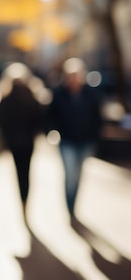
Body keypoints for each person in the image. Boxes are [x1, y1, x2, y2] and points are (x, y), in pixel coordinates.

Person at [47, 57, 103, 219]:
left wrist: (95, 137)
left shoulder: (91, 94)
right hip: (67, 141)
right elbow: (50, 116)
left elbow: (97, 117)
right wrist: (51, 132)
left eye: (77, 75)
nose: (74, 79)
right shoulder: (59, 94)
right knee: (70, 174)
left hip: (86, 142)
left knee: (78, 174)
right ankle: (69, 206)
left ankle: (74, 203)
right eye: (71, 75)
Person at [0, 62, 45, 221]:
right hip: (28, 143)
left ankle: (22, 204)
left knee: (19, 174)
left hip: (14, 144)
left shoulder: (7, 97)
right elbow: (41, 120)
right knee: (26, 173)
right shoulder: (33, 96)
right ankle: (25, 202)